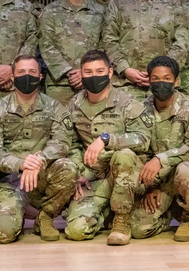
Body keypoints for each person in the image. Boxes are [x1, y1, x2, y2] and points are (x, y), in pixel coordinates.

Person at [0, 55, 77, 242]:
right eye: (21, 72)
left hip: (41, 176)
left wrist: (38, 160)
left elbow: (62, 142)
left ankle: (46, 217)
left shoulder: (54, 107)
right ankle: (18, 211)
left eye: (32, 72)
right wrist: (20, 163)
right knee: (2, 234)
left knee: (68, 168)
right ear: (12, 77)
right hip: (10, 179)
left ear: (40, 77)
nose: (27, 76)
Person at [65, 50, 152, 245]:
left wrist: (106, 139)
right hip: (94, 177)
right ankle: (106, 213)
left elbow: (144, 139)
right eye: (88, 72)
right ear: (81, 74)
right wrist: (77, 171)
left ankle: (121, 220)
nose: (94, 76)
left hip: (127, 176)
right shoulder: (75, 104)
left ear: (110, 72)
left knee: (124, 155)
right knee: (76, 232)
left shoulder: (127, 102)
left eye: (99, 71)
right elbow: (70, 143)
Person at [131, 56, 189, 241]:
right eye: (155, 79)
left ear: (177, 81)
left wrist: (161, 159)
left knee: (187, 169)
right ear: (149, 81)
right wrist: (150, 187)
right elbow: (140, 150)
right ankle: (166, 215)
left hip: (184, 176)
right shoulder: (141, 109)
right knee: (138, 230)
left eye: (167, 79)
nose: (161, 83)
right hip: (157, 180)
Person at [101, 0, 188, 98]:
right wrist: (125, 69)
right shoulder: (118, 0)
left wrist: (164, 71)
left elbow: (182, 38)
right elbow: (109, 39)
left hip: (163, 83)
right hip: (125, 84)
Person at [38, 0, 105, 104]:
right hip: (59, 85)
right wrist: (69, 71)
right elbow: (46, 45)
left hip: (93, 82)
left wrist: (86, 72)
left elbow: (104, 45)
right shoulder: (50, 11)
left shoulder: (100, 12)